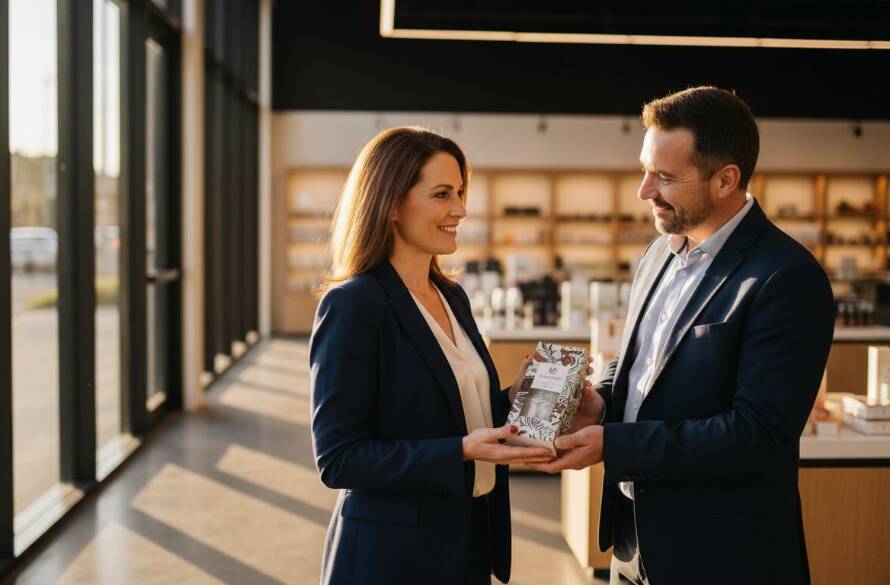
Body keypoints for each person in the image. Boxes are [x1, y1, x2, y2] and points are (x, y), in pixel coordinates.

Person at [529, 87, 834, 585]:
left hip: (724, 555)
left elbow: (757, 435)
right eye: (645, 170)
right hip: (634, 542)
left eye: (666, 177)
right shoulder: (657, 256)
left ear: (725, 180)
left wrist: (614, 443)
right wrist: (602, 403)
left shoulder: (784, 277)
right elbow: (645, 365)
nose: (644, 191)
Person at [310, 127, 585, 585]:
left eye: (460, 192)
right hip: (391, 557)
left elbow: (461, 416)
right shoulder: (355, 304)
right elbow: (340, 459)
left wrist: (525, 395)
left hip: (464, 540)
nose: (459, 209)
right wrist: (459, 452)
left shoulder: (450, 296)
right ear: (391, 203)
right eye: (441, 194)